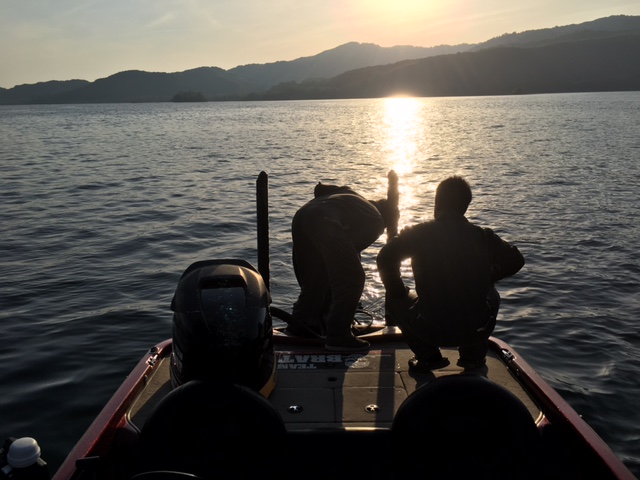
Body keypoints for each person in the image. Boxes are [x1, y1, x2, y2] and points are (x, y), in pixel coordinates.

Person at [376, 176, 524, 371]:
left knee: (395, 298)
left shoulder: (418, 234)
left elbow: (384, 258)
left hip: (430, 329)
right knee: (491, 295)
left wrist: (398, 290)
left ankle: (428, 357)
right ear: (465, 207)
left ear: (437, 203)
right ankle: (473, 357)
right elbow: (516, 260)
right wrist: (490, 277)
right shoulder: (483, 236)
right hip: (475, 329)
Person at [289, 182, 395, 352]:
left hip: (303, 215)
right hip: (325, 221)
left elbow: (320, 189)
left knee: (314, 282)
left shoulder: (351, 197)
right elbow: (347, 260)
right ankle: (338, 336)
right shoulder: (376, 219)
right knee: (352, 278)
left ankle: (301, 325)